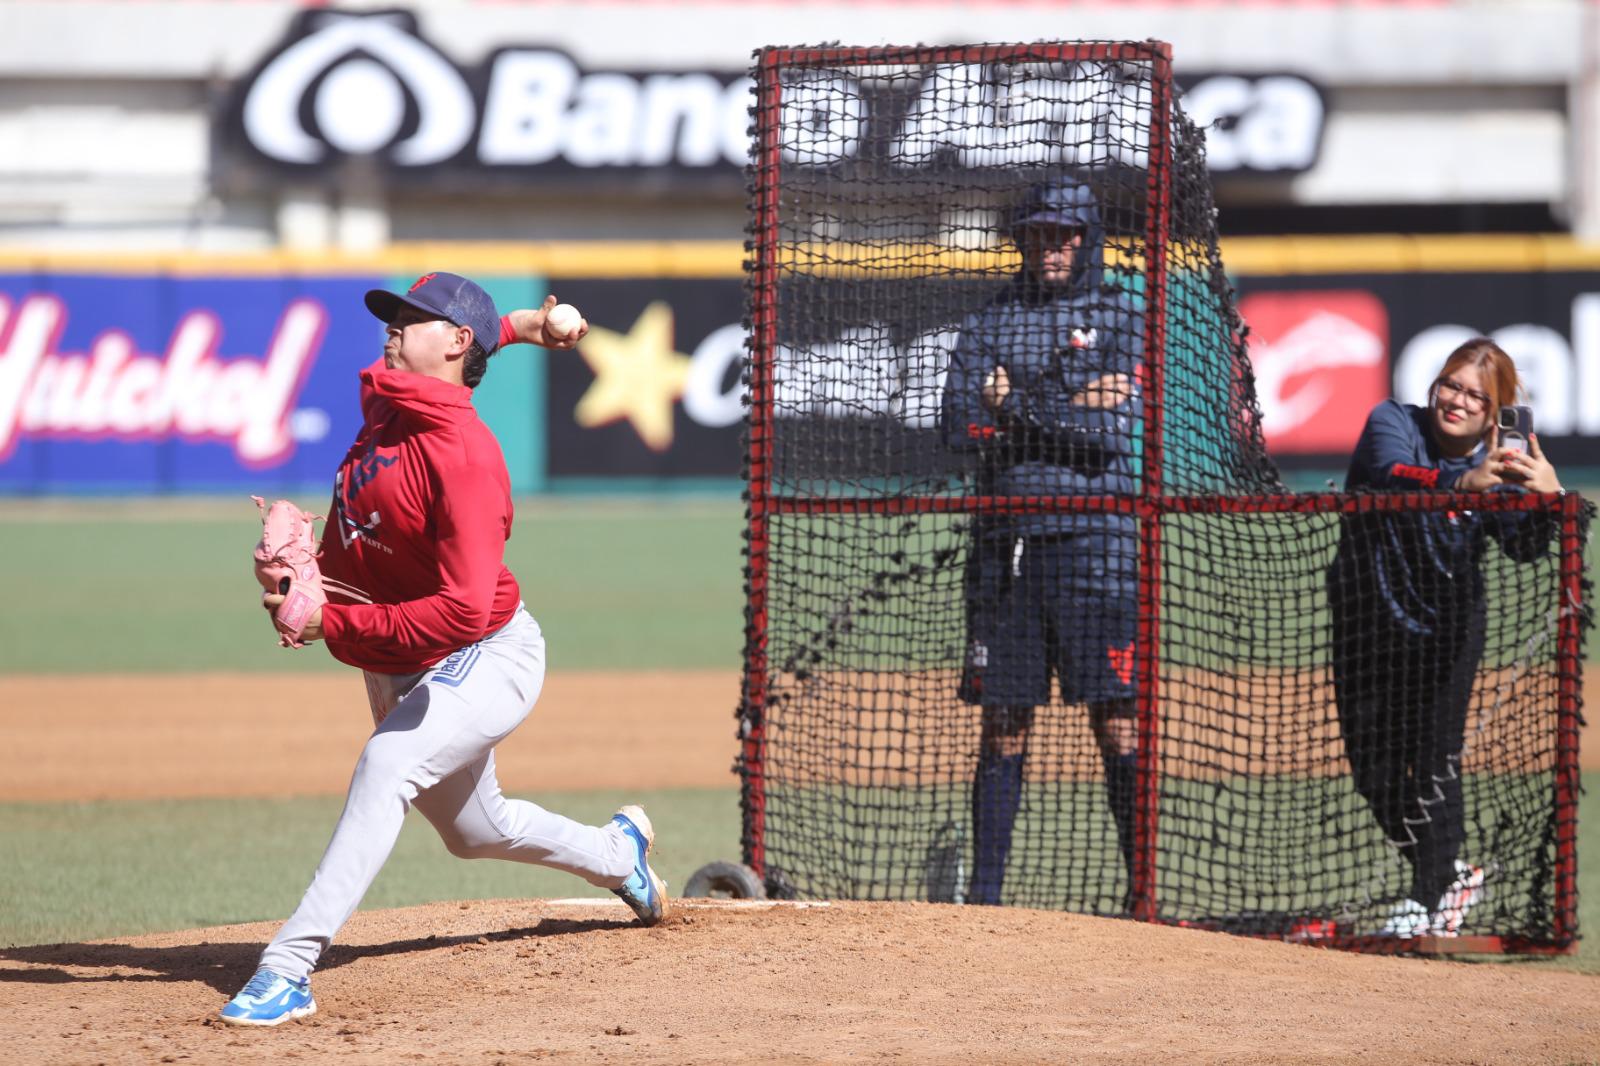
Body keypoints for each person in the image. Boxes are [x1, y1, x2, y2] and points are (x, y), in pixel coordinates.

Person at [219, 273, 668, 1027]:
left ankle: (288, 967)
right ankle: (619, 856)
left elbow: (461, 611)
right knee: (475, 832)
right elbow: (459, 365)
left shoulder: (465, 457)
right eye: (392, 317)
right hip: (401, 652)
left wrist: (333, 624)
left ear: (456, 341)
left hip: (487, 651)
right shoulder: (390, 404)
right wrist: (525, 323)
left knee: (389, 764)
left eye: (412, 319)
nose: (392, 328)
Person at [940, 180, 1144, 910]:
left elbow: (1106, 438)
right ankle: (986, 900)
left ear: (1087, 238)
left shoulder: (1120, 318)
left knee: (1116, 717)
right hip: (1007, 545)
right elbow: (958, 428)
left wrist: (1015, 405)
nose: (1049, 248)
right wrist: (1063, 407)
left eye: (1063, 235)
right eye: (1036, 235)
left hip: (1100, 545)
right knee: (1003, 723)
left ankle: (1142, 894)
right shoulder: (993, 319)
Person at [1328, 337, 1561, 938]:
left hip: (1449, 630)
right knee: (1373, 773)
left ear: (1494, 412)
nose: (1457, 401)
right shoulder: (1393, 421)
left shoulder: (1503, 465)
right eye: (1451, 385)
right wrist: (1464, 483)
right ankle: (1450, 873)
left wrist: (1547, 501)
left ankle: (1426, 898)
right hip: (1366, 619)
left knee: (1435, 762)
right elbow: (1387, 476)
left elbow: (1524, 549)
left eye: (1475, 396)